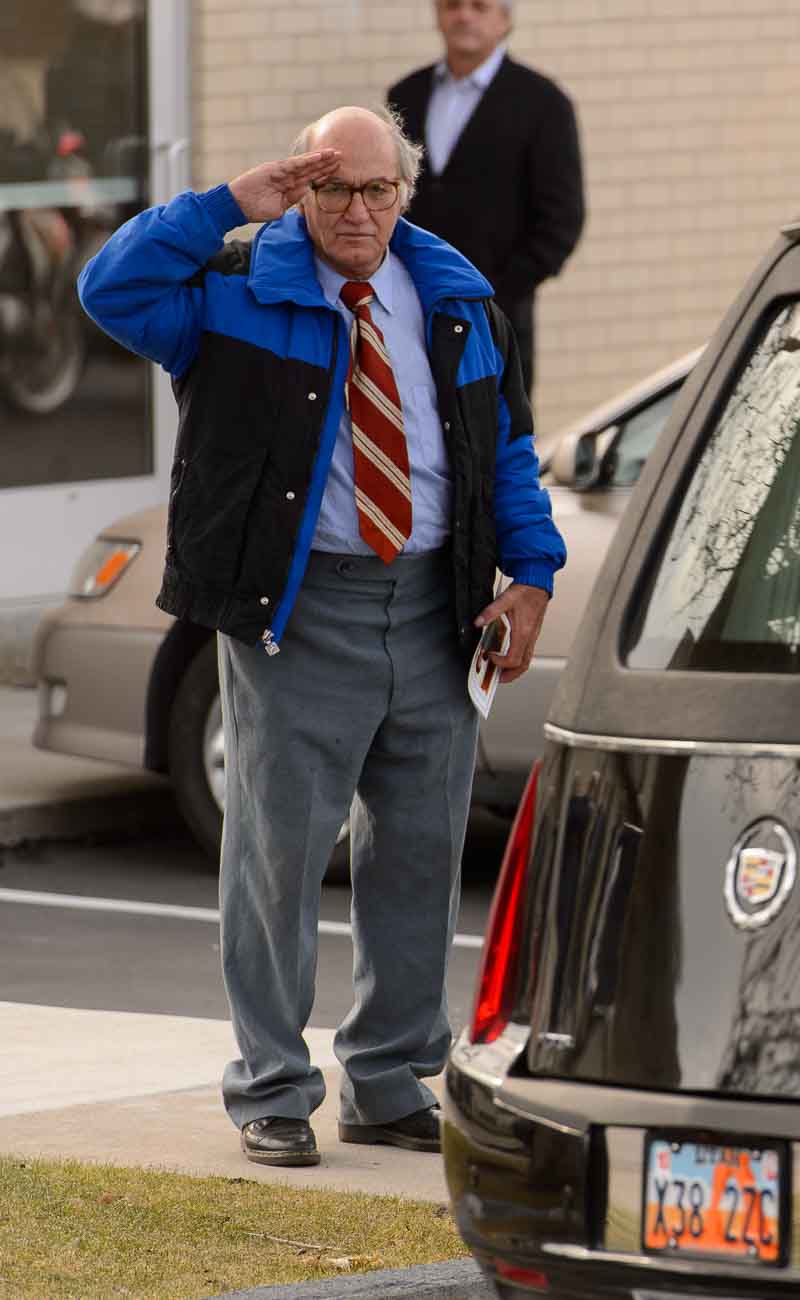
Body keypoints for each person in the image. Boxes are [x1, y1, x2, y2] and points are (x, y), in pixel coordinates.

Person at [77, 105, 566, 1168]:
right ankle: (272, 1085)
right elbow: (107, 290)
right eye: (333, 187)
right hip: (297, 608)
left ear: (405, 193)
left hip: (438, 605)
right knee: (277, 855)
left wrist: (531, 573)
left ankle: (389, 1079)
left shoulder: (458, 295)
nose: (357, 210)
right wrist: (218, 207)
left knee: (422, 851)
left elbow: (507, 448)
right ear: (299, 187)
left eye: (377, 189)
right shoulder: (236, 283)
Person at [388, 0, 583, 392]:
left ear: (505, 19)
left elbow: (562, 220)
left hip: (497, 316)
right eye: (452, 4)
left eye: (479, 5)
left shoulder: (543, 103)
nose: (464, 15)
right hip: (409, 309)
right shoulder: (405, 95)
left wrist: (496, 291)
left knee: (495, 439)